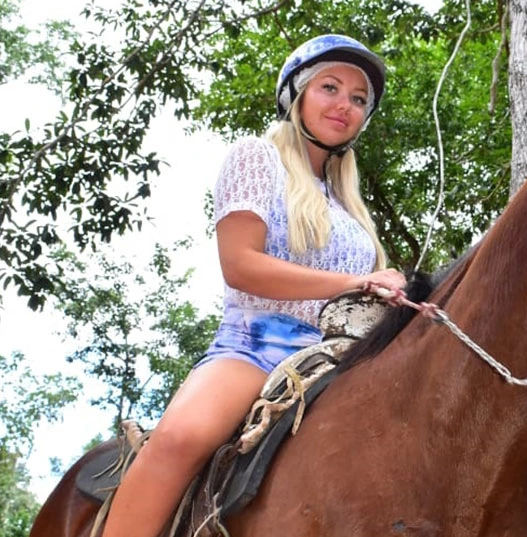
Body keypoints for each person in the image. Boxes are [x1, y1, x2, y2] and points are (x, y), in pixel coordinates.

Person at [101, 35, 406, 537]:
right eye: (330, 87)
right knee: (180, 438)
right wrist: (356, 280)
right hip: (255, 348)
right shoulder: (256, 158)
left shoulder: (350, 209)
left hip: (342, 359)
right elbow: (240, 265)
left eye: (358, 99)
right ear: (298, 95)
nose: (344, 105)